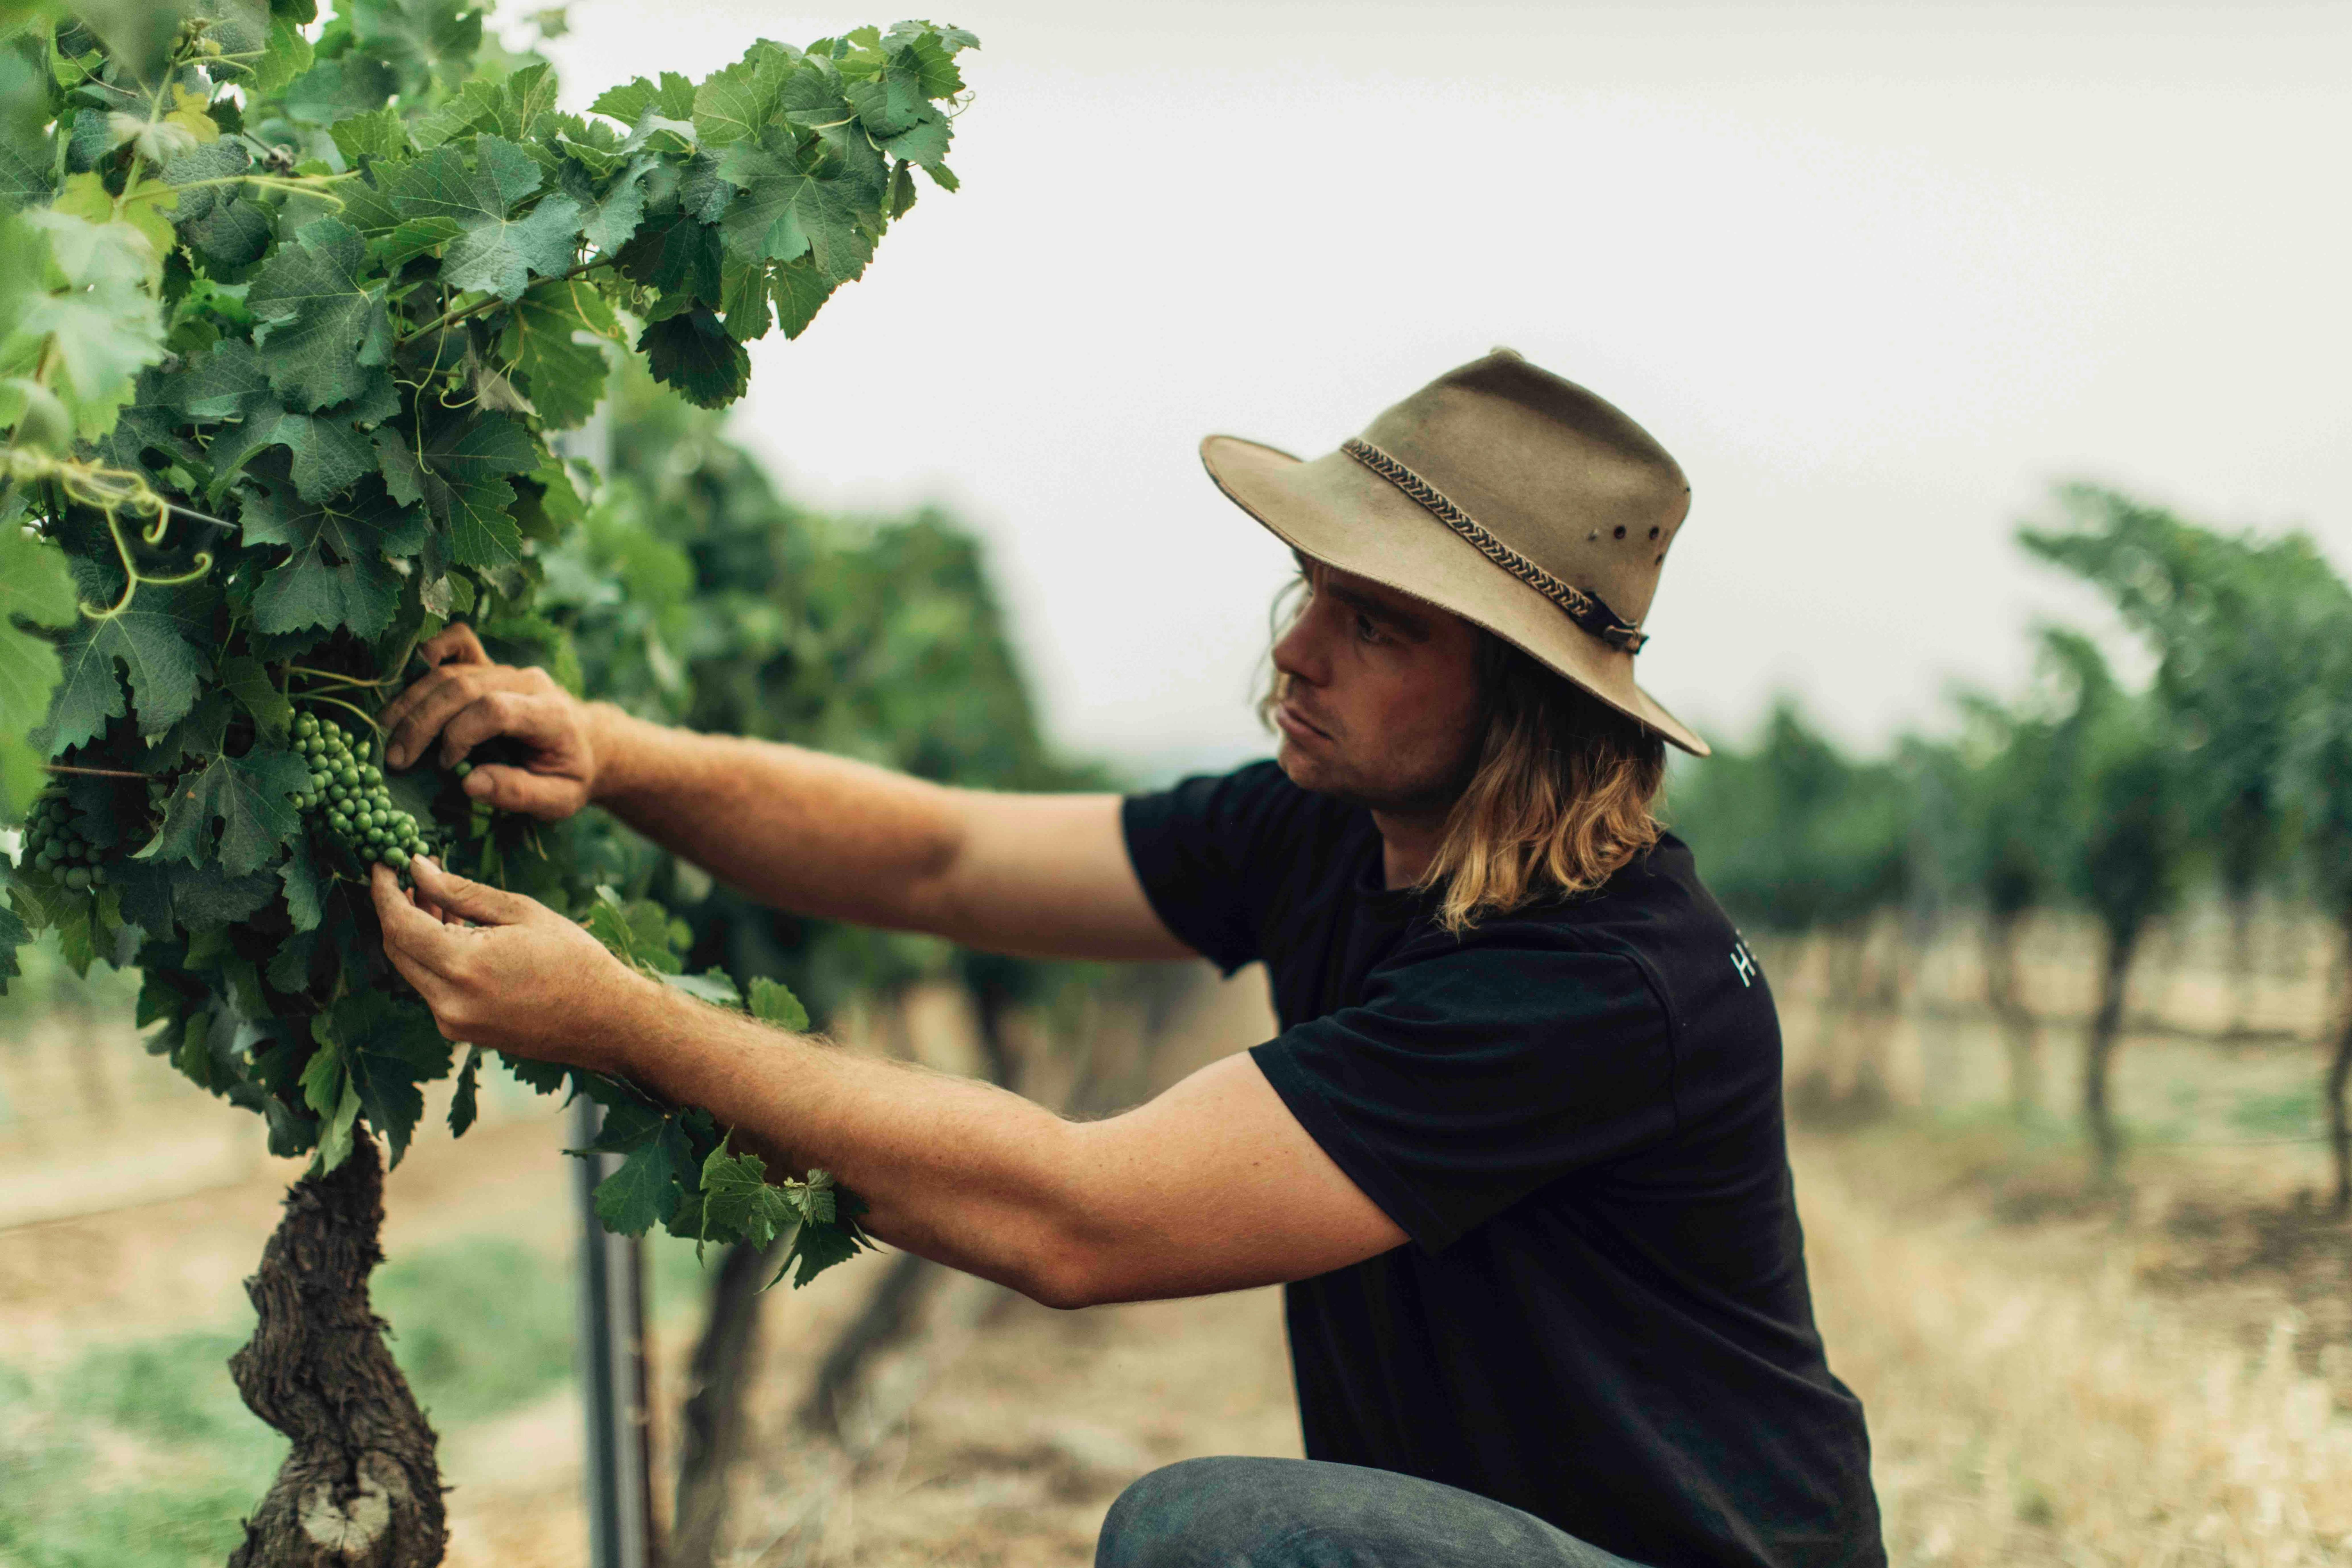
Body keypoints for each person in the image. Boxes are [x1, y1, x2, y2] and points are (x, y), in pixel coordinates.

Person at [368, 349, 1886, 1568]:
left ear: (1524, 699)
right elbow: (942, 859)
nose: (1297, 648)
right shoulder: (1334, 830)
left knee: (1209, 1540)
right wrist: (614, 752)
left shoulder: (1593, 981)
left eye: (1376, 627)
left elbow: (1075, 1221)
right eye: (1314, 589)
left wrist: (623, 1022)